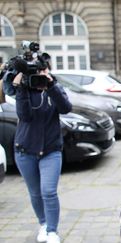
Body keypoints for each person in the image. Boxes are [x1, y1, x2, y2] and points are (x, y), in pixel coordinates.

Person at [10, 64, 72, 243]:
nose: (40, 76)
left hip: (51, 151)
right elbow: (25, 115)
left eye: (43, 72)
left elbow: (66, 108)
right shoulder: (25, 90)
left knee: (49, 191)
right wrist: (21, 88)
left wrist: (51, 86)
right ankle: (43, 224)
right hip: (25, 151)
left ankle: (52, 231)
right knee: (35, 193)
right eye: (37, 73)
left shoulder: (55, 88)